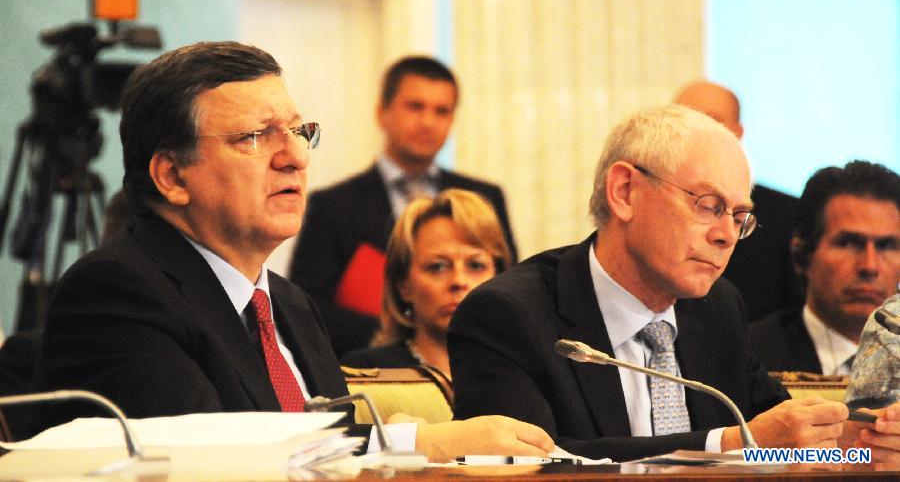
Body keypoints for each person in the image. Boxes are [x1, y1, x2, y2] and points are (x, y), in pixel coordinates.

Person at [29, 42, 553, 461]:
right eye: (256, 137)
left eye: (300, 132)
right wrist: (421, 442)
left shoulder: (289, 304)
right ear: (171, 175)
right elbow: (215, 457)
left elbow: (331, 445)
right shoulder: (119, 290)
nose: (296, 157)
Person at [449, 105, 900, 462]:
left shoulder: (717, 308)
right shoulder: (508, 315)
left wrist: (849, 439)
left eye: (739, 217)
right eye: (708, 205)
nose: (726, 235)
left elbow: (772, 437)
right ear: (624, 191)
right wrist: (726, 445)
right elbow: (530, 464)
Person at [289, 56, 516, 357]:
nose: (428, 122)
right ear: (382, 112)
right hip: (368, 365)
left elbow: (509, 287)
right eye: (415, 107)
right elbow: (306, 307)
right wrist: (404, 328)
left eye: (442, 111)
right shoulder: (334, 206)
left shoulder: (484, 196)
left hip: (474, 358)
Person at [342, 189, 511, 378]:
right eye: (437, 267)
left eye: (475, 265)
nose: (459, 281)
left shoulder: (522, 374)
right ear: (403, 285)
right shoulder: (368, 373)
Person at [751, 161, 900, 374]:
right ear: (802, 255)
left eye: (886, 246)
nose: (870, 266)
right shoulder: (749, 357)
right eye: (848, 243)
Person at [674, 80, 802, 321]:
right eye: (683, 123)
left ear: (737, 133)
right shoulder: (656, 205)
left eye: (709, 122)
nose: (693, 134)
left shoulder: (785, 215)